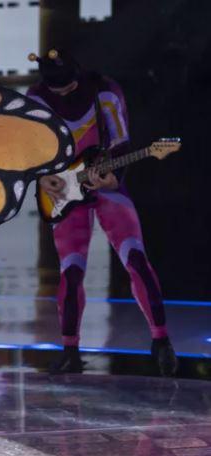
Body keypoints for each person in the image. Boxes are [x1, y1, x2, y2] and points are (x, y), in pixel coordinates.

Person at [27, 49, 177, 376]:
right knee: (71, 272)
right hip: (65, 192)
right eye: (58, 90)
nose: (65, 93)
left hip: (107, 186)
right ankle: (70, 350)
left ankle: (161, 341)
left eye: (69, 86)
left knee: (136, 259)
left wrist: (113, 178)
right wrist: (43, 177)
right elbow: (30, 148)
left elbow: (121, 140)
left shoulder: (104, 91)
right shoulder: (36, 99)